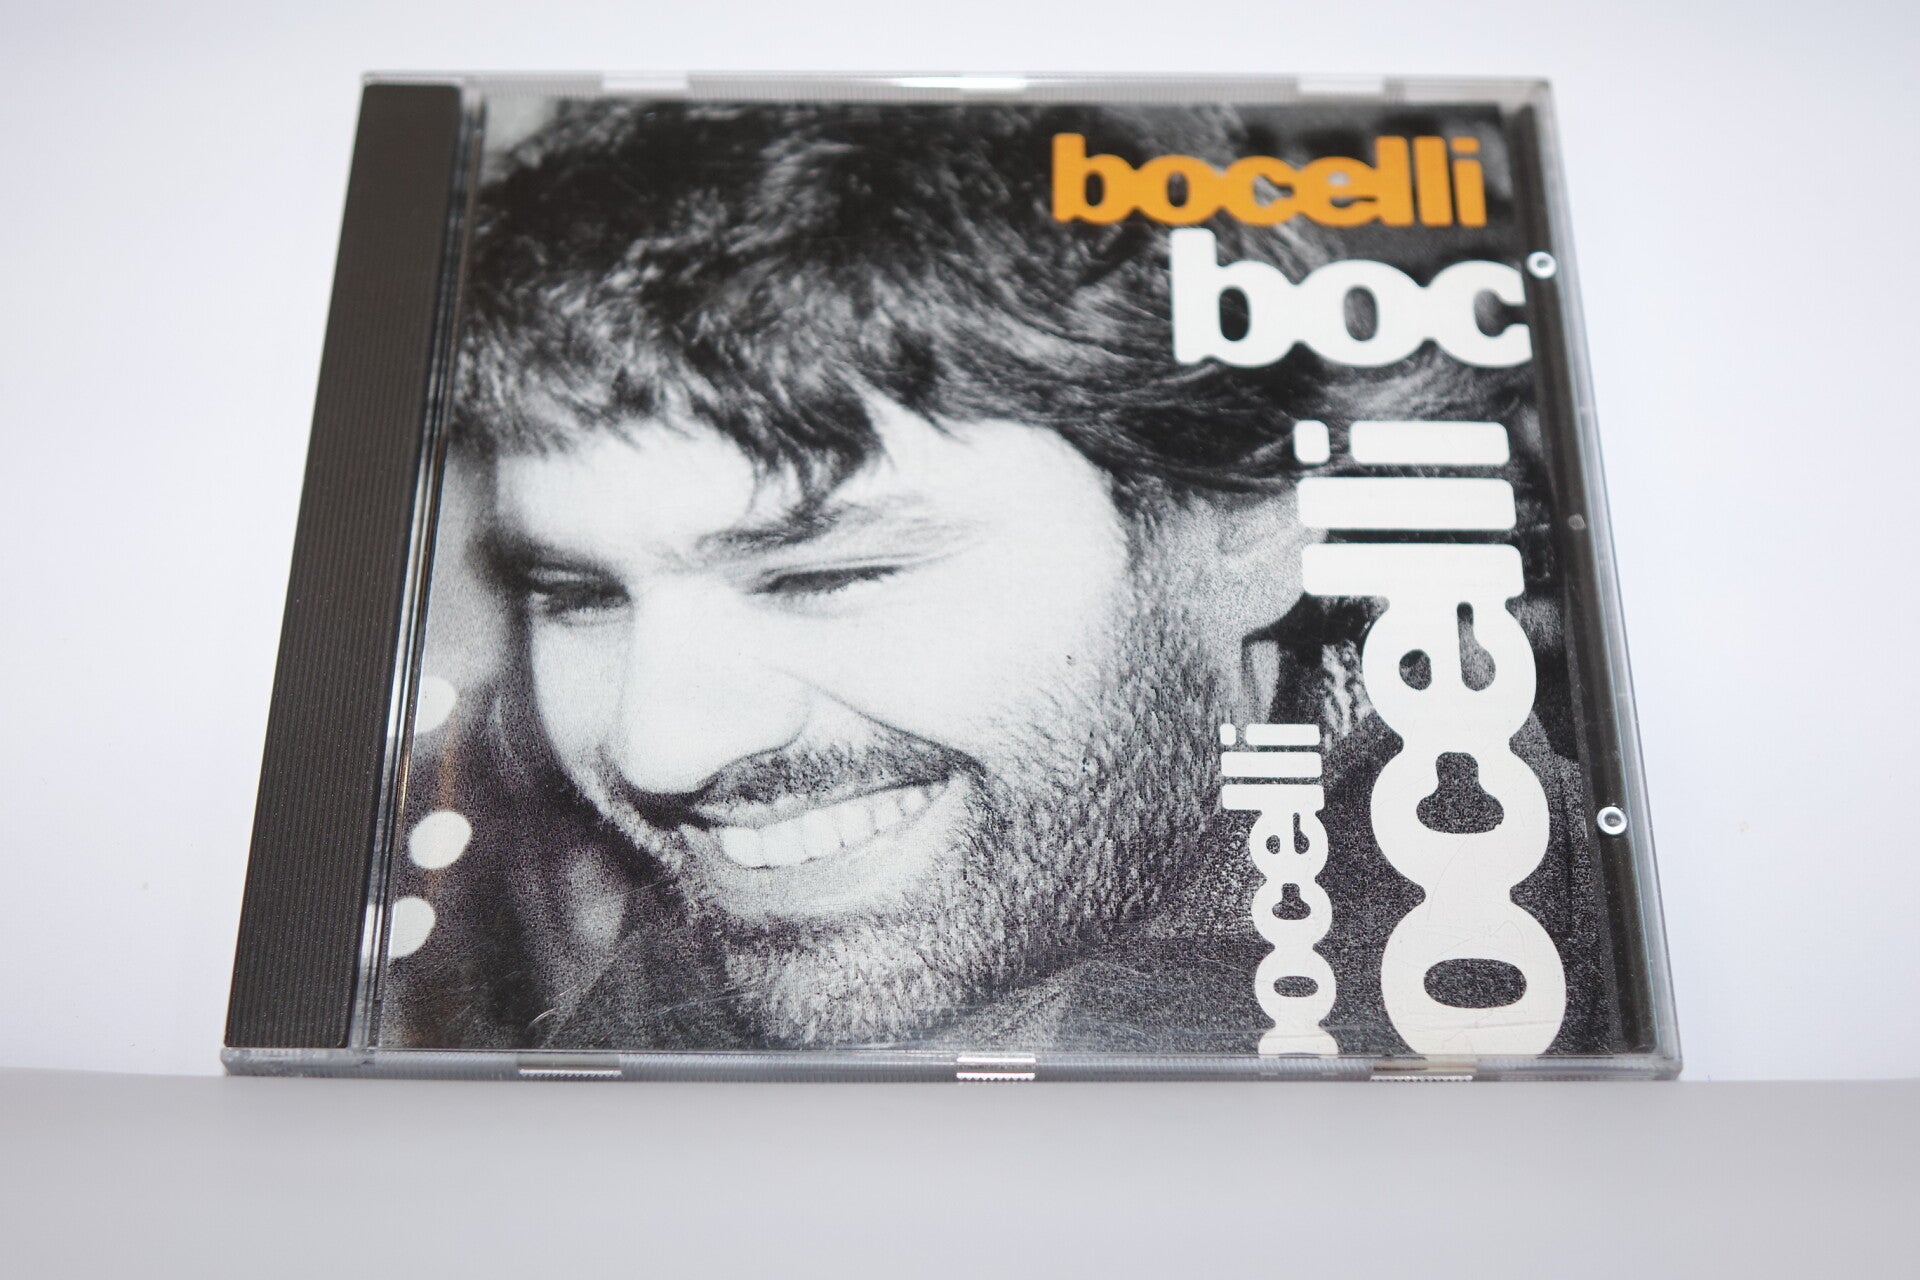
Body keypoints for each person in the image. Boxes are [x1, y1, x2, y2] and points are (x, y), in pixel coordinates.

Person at [383, 99, 1621, 1057]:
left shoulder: (1541, 999)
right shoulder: (640, 982)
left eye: (828, 575)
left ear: (1253, 526)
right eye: (582, 595)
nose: (661, 744)